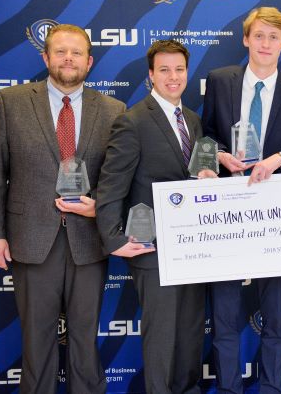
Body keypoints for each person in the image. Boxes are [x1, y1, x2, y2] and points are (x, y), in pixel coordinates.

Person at [0, 24, 126, 393]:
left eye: (76, 53)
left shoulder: (112, 109)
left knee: (85, 338)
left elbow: (117, 179)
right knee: (36, 338)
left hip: (88, 240)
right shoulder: (10, 102)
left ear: (89, 62)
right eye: (60, 51)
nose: (68, 59)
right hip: (30, 237)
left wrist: (102, 210)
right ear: (45, 57)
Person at [201, 7, 281, 393]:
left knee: (276, 318)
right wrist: (219, 156)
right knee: (224, 315)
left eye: (273, 37)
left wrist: (280, 159)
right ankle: (229, 388)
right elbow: (203, 138)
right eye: (259, 35)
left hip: (276, 218)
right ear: (246, 39)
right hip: (226, 218)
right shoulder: (220, 81)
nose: (265, 44)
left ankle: (270, 387)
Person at [96, 40, 206, 394]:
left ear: (187, 73)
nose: (173, 77)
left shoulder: (191, 119)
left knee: (189, 332)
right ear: (150, 75)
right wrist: (113, 238)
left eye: (179, 69)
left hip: (192, 247)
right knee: (161, 337)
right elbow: (112, 186)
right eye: (164, 70)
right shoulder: (133, 121)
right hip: (152, 249)